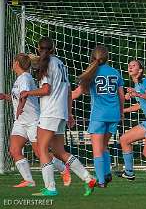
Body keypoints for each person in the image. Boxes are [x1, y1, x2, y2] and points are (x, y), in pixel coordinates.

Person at [20, 37, 95, 196]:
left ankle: (51, 188)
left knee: (42, 149)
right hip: (60, 112)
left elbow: (46, 90)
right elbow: (68, 91)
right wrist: (68, 113)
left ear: (39, 49)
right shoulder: (61, 64)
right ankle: (88, 178)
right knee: (59, 151)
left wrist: (28, 93)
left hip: (50, 113)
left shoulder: (47, 65)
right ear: (53, 49)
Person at [0, 53, 71, 188]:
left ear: (16, 63)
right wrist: (5, 96)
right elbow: (19, 97)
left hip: (32, 121)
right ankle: (29, 180)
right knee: (14, 150)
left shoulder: (25, 78)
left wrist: (20, 108)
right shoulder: (19, 79)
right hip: (21, 122)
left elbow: (25, 97)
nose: (12, 64)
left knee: (40, 152)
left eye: (13, 62)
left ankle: (63, 169)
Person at [72, 45, 125, 188]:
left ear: (92, 58)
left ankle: (101, 181)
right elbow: (121, 95)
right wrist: (121, 112)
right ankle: (107, 173)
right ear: (107, 57)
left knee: (97, 149)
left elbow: (76, 93)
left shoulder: (91, 73)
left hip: (99, 115)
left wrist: (60, 99)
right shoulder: (115, 72)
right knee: (103, 146)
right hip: (113, 114)